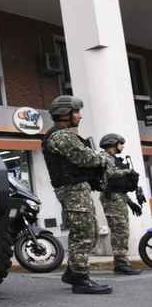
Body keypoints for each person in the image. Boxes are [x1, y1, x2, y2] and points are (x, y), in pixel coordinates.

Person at [41, 96, 112, 294]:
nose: (80, 116)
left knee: (91, 231)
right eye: (76, 112)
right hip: (72, 190)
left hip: (77, 189)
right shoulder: (62, 136)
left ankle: (73, 271)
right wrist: (104, 157)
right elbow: (86, 158)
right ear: (65, 114)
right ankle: (80, 279)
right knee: (83, 233)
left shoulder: (64, 135)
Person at [98, 133, 143, 276]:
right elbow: (109, 173)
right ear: (113, 143)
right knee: (119, 231)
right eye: (121, 143)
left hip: (118, 198)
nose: (122, 146)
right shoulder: (104, 157)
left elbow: (119, 188)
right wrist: (128, 171)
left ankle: (121, 263)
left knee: (122, 230)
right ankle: (121, 264)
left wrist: (131, 203)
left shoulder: (114, 159)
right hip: (111, 198)